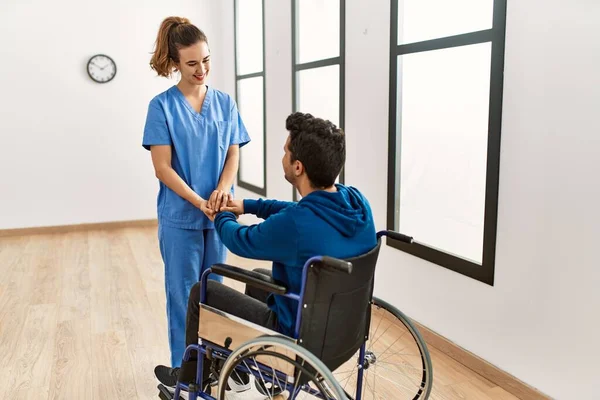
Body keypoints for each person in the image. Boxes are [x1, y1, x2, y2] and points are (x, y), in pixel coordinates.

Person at [154, 112, 377, 394]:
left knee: (203, 290)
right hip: (343, 333)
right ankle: (239, 369)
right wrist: (247, 205)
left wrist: (219, 214)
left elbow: (239, 240)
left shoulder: (297, 225)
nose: (282, 155)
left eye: (285, 151)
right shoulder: (355, 201)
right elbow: (294, 211)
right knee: (260, 276)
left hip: (297, 342)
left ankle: (189, 382)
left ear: (297, 167)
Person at [142, 16, 250, 369]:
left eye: (206, 60)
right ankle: (186, 370)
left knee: (216, 295)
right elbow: (162, 168)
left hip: (220, 214)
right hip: (181, 218)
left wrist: (222, 190)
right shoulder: (161, 107)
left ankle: (215, 366)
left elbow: (233, 150)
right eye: (191, 63)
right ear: (175, 63)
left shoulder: (225, 103)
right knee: (184, 297)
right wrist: (199, 202)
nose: (201, 69)